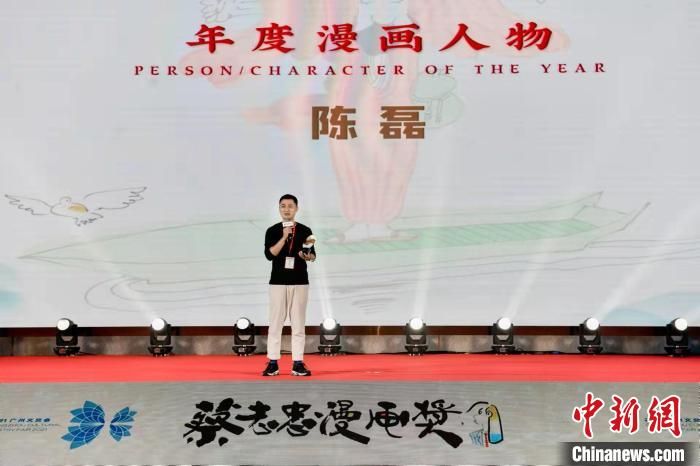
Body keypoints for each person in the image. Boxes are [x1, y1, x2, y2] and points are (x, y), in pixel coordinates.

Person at [262, 194, 316, 376]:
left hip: (300, 282)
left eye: (290, 206)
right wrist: (284, 237)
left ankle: (298, 362)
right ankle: (273, 362)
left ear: (296, 209)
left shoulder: (305, 230)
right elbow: (270, 254)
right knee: (275, 323)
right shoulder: (272, 231)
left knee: (298, 324)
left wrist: (305, 255)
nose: (286, 209)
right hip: (278, 282)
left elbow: (312, 255)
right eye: (283, 206)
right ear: (279, 208)